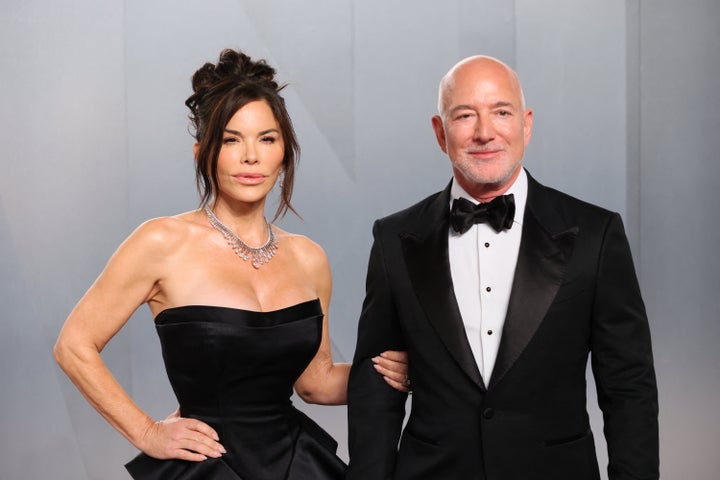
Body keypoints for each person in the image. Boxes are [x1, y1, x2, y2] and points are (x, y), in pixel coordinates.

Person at [53, 49, 409, 480]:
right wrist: (147, 432)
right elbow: (73, 345)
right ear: (202, 152)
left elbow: (315, 383)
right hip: (207, 468)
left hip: (296, 463)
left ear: (285, 152)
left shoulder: (309, 257)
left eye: (267, 139)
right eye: (231, 140)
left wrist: (395, 370)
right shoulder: (161, 242)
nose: (251, 157)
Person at [346, 55, 659, 480]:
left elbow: (629, 385)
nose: (484, 132)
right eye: (464, 115)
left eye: (501, 112)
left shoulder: (595, 234)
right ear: (440, 132)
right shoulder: (394, 239)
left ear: (526, 125)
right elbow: (375, 393)